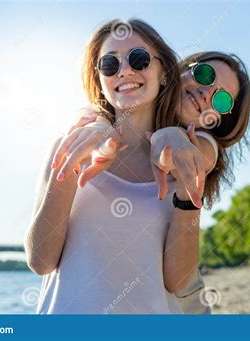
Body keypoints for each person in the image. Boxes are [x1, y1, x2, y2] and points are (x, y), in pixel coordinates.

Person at [25, 18, 208, 313]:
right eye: (109, 64)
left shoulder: (181, 159)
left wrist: (189, 191)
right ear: (99, 80)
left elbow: (177, 280)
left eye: (139, 59)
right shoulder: (66, 146)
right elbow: (40, 260)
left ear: (163, 72)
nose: (125, 70)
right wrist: (73, 166)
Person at [58, 51, 250, 313]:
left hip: (185, 306)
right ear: (177, 71)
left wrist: (174, 138)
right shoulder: (125, 108)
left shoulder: (206, 146)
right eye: (204, 75)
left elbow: (199, 156)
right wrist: (96, 121)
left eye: (220, 99)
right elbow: (90, 111)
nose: (207, 93)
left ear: (218, 121)